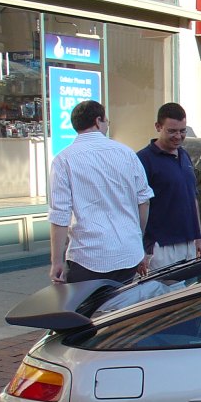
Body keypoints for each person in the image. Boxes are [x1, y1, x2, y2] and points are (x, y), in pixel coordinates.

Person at [48, 100, 153, 284]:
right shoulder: (127, 154)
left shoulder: (63, 160)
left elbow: (60, 216)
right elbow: (144, 201)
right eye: (106, 121)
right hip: (128, 253)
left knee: (87, 311)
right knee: (125, 309)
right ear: (98, 121)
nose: (106, 125)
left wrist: (57, 261)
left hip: (88, 256)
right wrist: (138, 241)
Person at [138, 102, 201, 272]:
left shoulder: (184, 155)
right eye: (172, 131)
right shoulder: (142, 160)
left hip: (189, 243)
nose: (178, 136)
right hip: (160, 247)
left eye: (182, 131)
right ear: (158, 127)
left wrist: (198, 237)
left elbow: (193, 198)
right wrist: (139, 248)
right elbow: (136, 205)